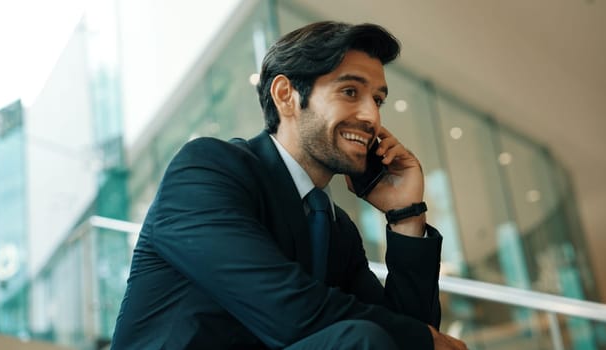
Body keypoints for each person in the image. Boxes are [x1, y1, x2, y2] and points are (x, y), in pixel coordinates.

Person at [111, 21, 467, 349]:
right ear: (286, 95)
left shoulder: (336, 228)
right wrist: (421, 340)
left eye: (377, 100)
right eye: (349, 91)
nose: (372, 116)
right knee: (360, 339)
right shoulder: (208, 170)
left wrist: (405, 215)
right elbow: (287, 307)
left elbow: (410, 335)